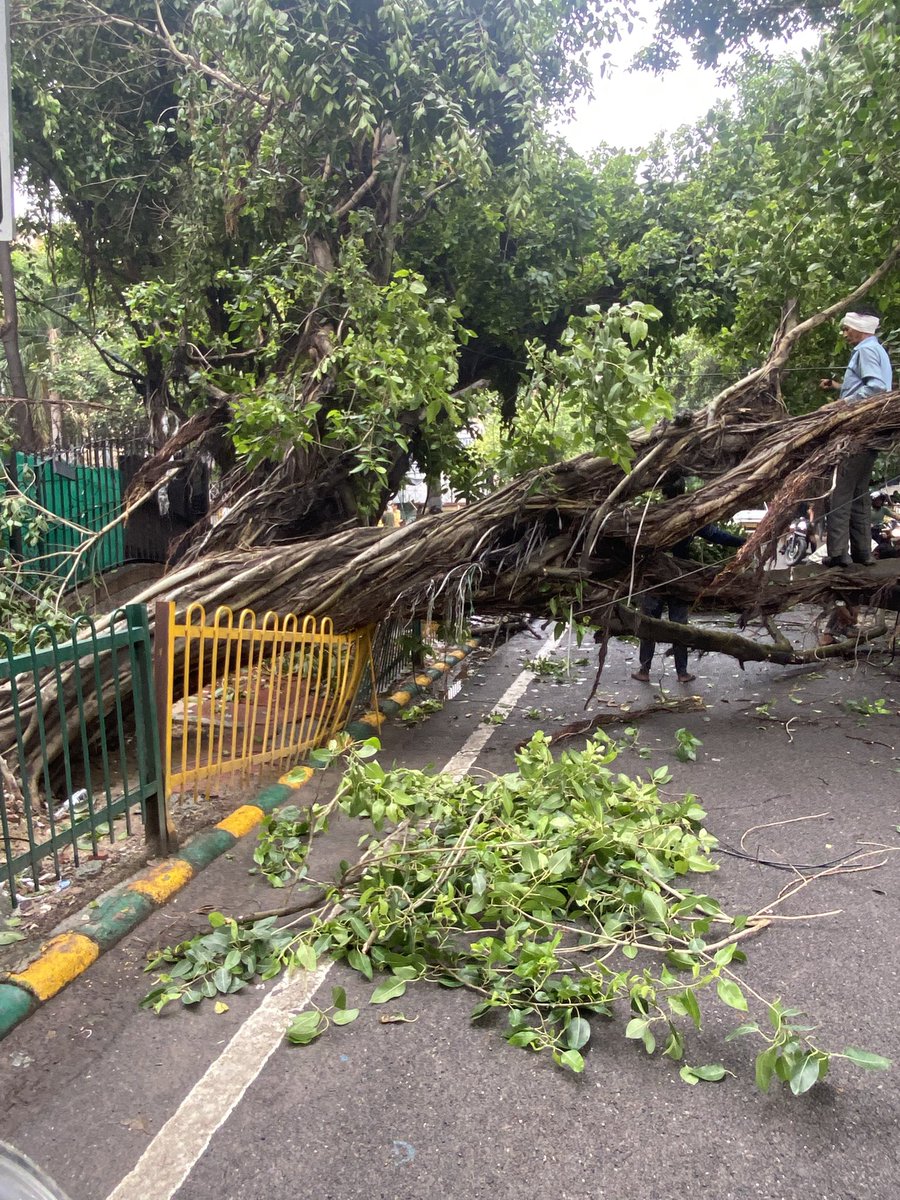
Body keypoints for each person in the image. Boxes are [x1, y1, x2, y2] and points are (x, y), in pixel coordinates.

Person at [631, 477, 745, 685]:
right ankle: (682, 673)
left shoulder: (654, 514)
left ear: (662, 492)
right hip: (679, 575)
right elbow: (716, 535)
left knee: (648, 622)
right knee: (679, 625)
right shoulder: (690, 515)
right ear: (683, 490)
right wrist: (743, 542)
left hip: (654, 574)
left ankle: (644, 670)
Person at [819, 311, 893, 567]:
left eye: (847, 329)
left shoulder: (864, 351)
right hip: (873, 432)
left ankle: (839, 553)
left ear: (859, 329)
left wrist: (840, 406)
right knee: (859, 494)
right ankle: (863, 553)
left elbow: (876, 387)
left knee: (839, 492)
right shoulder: (878, 350)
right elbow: (869, 383)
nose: (845, 333)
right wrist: (839, 387)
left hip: (857, 432)